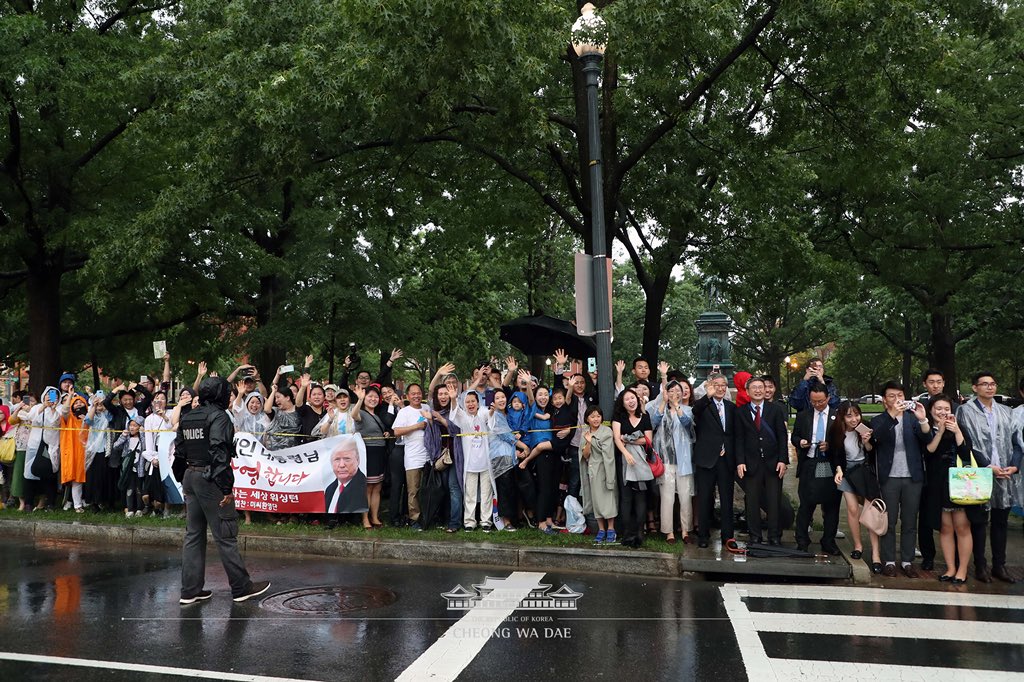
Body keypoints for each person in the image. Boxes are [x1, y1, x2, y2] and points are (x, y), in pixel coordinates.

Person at [175, 376, 270, 605]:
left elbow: (178, 451)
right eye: (227, 393)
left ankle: (190, 591)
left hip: (191, 476)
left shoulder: (188, 416)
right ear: (218, 395)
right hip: (211, 479)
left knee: (193, 535)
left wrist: (184, 479)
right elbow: (219, 452)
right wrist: (226, 487)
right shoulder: (219, 417)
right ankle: (241, 587)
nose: (229, 396)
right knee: (225, 535)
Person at [956, 372, 1021, 584]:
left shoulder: (1006, 411)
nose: (989, 388)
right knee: (979, 521)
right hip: (979, 472)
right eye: (984, 384)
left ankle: (999, 565)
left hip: (1004, 472)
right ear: (975, 388)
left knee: (1001, 520)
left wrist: (1014, 466)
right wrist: (986, 465)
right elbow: (964, 443)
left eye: (992, 384)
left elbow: (1016, 441)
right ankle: (980, 565)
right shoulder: (965, 411)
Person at [869, 381, 930, 578]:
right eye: (892, 396)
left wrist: (923, 420)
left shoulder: (913, 419)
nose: (897, 399)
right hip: (889, 476)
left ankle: (907, 560)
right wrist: (893, 416)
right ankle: (888, 561)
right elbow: (875, 439)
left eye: (900, 395)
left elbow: (927, 441)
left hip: (913, 476)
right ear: (884, 400)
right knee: (889, 520)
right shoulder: (879, 420)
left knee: (910, 520)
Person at [924, 395, 973, 584]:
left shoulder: (959, 428)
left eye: (946, 408)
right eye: (938, 409)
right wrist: (940, 431)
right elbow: (929, 452)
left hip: (959, 483)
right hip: (938, 484)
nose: (942, 412)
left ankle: (962, 569)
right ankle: (950, 567)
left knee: (962, 527)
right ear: (931, 410)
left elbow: (966, 453)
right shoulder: (927, 429)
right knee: (945, 528)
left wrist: (957, 431)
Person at [736, 376, 788, 545]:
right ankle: (755, 536)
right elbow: (739, 439)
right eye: (754, 388)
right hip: (751, 463)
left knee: (774, 501)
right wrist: (740, 461)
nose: (758, 390)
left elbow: (782, 436)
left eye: (761, 387)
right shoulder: (741, 411)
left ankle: (774, 536)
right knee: (752, 501)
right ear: (748, 391)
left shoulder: (775, 410)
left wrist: (783, 460)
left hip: (773, 463)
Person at [828, 402, 881, 570]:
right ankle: (858, 546)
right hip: (846, 471)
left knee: (869, 511)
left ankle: (876, 554)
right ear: (842, 417)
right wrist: (838, 470)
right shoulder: (836, 431)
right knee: (852, 509)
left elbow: (872, 452)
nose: (854, 419)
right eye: (849, 415)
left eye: (856, 415)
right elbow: (835, 454)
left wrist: (866, 441)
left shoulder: (865, 427)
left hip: (864, 471)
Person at [792, 384, 841, 554]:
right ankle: (802, 540)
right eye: (814, 402)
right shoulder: (803, 416)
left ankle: (828, 541)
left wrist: (830, 446)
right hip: (810, 463)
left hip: (828, 464)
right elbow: (794, 436)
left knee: (831, 505)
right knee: (806, 504)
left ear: (828, 398)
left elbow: (843, 441)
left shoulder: (837, 416)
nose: (817, 405)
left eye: (820, 401)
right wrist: (800, 442)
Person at [692, 373, 738, 548]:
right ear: (710, 385)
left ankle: (728, 537)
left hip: (726, 460)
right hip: (706, 459)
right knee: (704, 499)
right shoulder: (704, 405)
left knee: (727, 499)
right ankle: (703, 535)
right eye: (716, 385)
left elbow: (733, 433)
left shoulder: (731, 407)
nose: (720, 388)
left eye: (723, 385)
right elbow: (695, 411)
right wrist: (707, 396)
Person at [916, 368, 950, 570]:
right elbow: (926, 443)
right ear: (925, 384)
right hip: (927, 471)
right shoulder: (921, 410)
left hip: (950, 473)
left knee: (952, 517)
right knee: (926, 517)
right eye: (931, 381)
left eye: (939, 381)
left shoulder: (954, 409)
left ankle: (951, 559)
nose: (935, 385)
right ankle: (928, 556)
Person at [612, 388, 654, 548]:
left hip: (642, 463)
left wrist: (628, 439)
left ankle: (639, 533)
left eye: (633, 398)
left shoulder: (645, 416)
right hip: (624, 461)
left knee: (641, 498)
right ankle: (627, 534)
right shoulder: (619, 417)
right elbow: (617, 438)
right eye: (627, 399)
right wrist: (626, 452)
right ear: (622, 403)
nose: (631, 401)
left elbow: (648, 440)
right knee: (626, 497)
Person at [449, 389, 493, 532]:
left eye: (473, 401)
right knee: (470, 494)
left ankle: (486, 521)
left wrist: (493, 411)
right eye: (467, 402)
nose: (470, 404)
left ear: (478, 402)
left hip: (485, 462)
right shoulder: (463, 418)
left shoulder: (483, 413)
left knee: (486, 493)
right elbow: (455, 411)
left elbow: (491, 417)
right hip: (470, 463)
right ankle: (469, 522)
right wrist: (453, 398)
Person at [350, 386, 392, 529]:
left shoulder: (378, 414)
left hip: (380, 452)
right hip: (368, 452)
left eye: (375, 396)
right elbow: (353, 415)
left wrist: (385, 433)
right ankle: (365, 518)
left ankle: (375, 517)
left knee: (377, 487)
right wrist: (360, 399)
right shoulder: (360, 412)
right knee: (368, 487)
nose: (373, 399)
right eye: (370, 396)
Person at [392, 384, 432, 530]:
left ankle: (427, 517)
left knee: (427, 489)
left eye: (419, 393)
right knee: (413, 490)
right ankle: (414, 519)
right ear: (408, 396)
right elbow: (396, 431)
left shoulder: (426, 408)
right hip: (413, 458)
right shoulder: (405, 412)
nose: (416, 396)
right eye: (413, 394)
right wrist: (416, 426)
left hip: (428, 456)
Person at [580, 405, 617, 544]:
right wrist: (588, 442)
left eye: (598, 416)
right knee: (596, 500)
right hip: (593, 470)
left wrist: (592, 441)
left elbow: (607, 452)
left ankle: (611, 529)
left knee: (608, 499)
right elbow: (584, 454)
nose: (596, 419)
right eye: (592, 416)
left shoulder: (607, 431)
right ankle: (601, 529)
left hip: (605, 468)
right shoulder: (585, 432)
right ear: (587, 419)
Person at [324, 438, 368, 514]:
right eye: (337, 459)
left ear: (357, 460)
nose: (341, 465)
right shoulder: (329, 489)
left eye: (347, 459)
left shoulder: (363, 486)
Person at [113, 416, 146, 518]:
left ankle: (139, 509)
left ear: (140, 427)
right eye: (130, 425)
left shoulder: (142, 439)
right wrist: (123, 435)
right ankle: (130, 509)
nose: (132, 428)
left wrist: (143, 434)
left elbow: (145, 447)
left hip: (139, 467)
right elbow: (116, 446)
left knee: (139, 489)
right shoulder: (127, 438)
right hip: (128, 468)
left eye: (135, 426)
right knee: (129, 488)